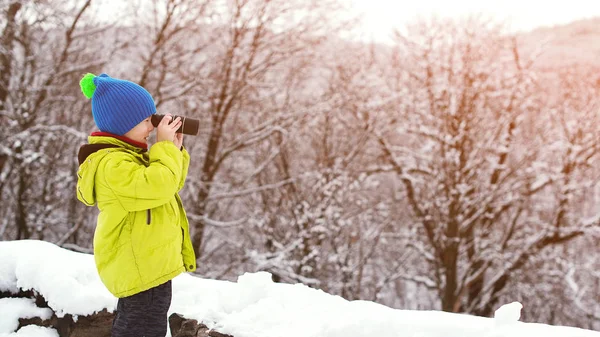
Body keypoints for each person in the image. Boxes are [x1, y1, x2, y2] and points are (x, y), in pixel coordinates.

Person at [76, 73, 196, 337]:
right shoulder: (112, 165)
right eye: (146, 120)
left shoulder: (130, 157)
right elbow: (159, 186)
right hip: (140, 267)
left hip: (148, 264)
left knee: (139, 325)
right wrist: (163, 148)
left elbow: (169, 186)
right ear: (122, 124)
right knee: (142, 329)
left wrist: (172, 152)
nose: (152, 126)